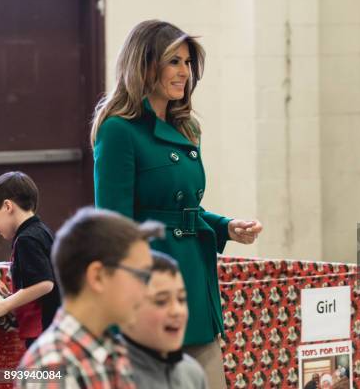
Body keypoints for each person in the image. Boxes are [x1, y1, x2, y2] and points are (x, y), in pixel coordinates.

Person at [90, 20, 263, 389]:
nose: (184, 72)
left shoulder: (187, 128)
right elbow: (113, 229)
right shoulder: (118, 130)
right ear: (145, 64)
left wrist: (225, 227)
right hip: (150, 291)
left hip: (196, 286)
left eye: (187, 62)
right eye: (174, 61)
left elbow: (183, 208)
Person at [17, 207, 163, 388]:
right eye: (141, 276)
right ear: (98, 277)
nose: (148, 291)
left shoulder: (117, 351)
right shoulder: (50, 366)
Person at [120, 251, 208, 389]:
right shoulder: (111, 376)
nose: (177, 311)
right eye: (161, 301)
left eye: (181, 299)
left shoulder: (192, 373)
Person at [0, 171, 60, 348]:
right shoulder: (40, 231)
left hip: (43, 332)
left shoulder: (26, 239)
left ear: (8, 206)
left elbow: (45, 283)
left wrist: (4, 305)